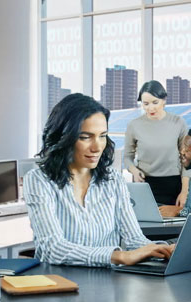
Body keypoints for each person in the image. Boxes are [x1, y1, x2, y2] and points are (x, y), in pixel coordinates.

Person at [23, 93, 174, 268]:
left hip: (108, 285)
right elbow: (52, 248)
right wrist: (119, 256)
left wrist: (164, 250)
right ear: (63, 137)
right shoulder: (38, 180)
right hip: (60, 284)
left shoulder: (114, 180)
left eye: (102, 135)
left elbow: (135, 240)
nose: (97, 147)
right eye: (85, 137)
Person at [123, 80, 190, 206]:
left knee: (176, 222)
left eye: (155, 102)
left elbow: (186, 159)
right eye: (145, 104)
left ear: (164, 100)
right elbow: (127, 157)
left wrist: (185, 191)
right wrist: (134, 171)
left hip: (174, 185)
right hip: (145, 184)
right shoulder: (134, 125)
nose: (150, 108)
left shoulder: (178, 122)